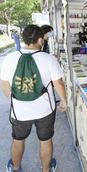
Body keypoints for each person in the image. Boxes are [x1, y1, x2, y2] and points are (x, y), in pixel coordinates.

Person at [0, 25, 67, 172]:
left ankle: (15, 167)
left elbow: (4, 85)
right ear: (40, 39)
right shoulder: (48, 59)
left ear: (23, 40)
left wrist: (16, 99)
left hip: (19, 111)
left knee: (18, 139)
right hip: (45, 110)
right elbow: (59, 84)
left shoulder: (10, 58)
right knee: (45, 140)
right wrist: (64, 101)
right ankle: (46, 169)